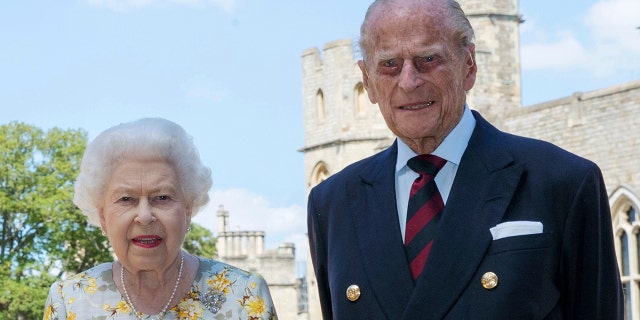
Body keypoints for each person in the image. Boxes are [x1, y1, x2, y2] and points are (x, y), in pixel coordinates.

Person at [306, 0, 623, 319]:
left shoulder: (563, 182)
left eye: (427, 59)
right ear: (367, 81)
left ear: (468, 65)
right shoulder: (333, 204)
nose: (408, 81)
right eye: (389, 64)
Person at [43, 118, 277, 320]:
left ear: (187, 210)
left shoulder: (244, 295)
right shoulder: (69, 301)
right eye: (126, 199)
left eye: (162, 197)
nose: (144, 216)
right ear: (103, 216)